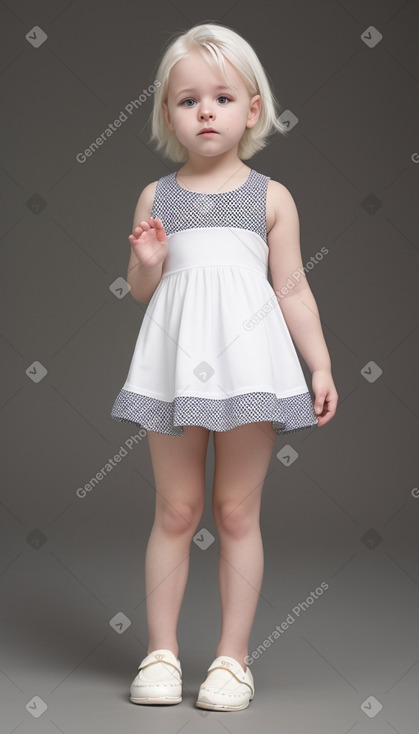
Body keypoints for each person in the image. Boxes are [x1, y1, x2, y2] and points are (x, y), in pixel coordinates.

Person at [111, 22, 338, 712]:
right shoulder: (158, 198)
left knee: (236, 510)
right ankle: (160, 652)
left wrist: (319, 364)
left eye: (220, 97)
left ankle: (232, 661)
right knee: (175, 508)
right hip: (175, 371)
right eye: (186, 101)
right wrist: (145, 265)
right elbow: (143, 289)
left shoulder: (270, 198)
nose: (205, 111)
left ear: (252, 109)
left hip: (250, 370)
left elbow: (291, 287)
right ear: (167, 116)